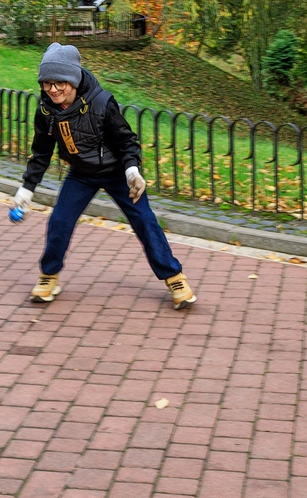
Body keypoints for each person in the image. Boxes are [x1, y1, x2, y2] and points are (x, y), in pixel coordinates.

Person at [12, 42, 197, 310]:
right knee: (59, 221)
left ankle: (174, 277)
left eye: (59, 82)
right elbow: (41, 152)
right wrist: (26, 190)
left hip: (117, 173)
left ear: (73, 79)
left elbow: (126, 142)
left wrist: (132, 170)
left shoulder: (101, 102)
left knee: (145, 221)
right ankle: (49, 277)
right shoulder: (46, 111)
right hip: (81, 174)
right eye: (47, 82)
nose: (53, 89)